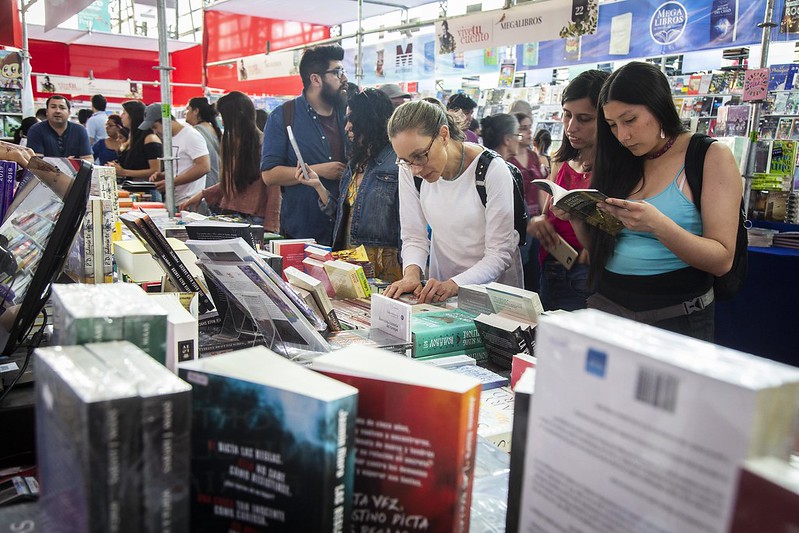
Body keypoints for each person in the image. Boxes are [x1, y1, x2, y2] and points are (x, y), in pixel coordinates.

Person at [581, 61, 741, 340]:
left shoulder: (709, 156)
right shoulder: (619, 159)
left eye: (629, 120)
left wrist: (658, 225)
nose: (622, 136)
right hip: (608, 308)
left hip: (677, 315)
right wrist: (574, 214)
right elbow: (599, 247)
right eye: (612, 125)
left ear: (658, 106)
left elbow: (722, 259)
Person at [383, 100, 522, 304]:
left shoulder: (492, 170)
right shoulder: (410, 171)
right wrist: (412, 274)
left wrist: (454, 284)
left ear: (444, 135)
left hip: (495, 296)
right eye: (405, 160)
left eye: (421, 156)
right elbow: (414, 237)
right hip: (443, 293)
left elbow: (499, 255)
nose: (416, 169)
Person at [295, 88, 401, 281]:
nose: (347, 127)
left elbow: (409, 225)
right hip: (349, 264)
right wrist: (317, 185)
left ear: (370, 120)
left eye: (352, 120)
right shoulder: (355, 164)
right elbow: (342, 215)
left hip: (384, 267)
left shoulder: (396, 163)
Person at [527, 69, 608, 312]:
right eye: (566, 115)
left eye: (584, 118)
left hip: (584, 276)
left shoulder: (612, 170)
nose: (571, 127)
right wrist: (539, 222)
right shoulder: (561, 161)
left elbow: (608, 244)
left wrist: (585, 252)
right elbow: (548, 211)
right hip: (550, 267)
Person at [260, 44, 349, 245]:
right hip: (303, 231)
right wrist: (321, 171)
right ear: (315, 79)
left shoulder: (347, 115)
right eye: (337, 72)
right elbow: (269, 174)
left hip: (345, 229)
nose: (344, 78)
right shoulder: (284, 116)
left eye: (343, 71)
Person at [180, 91, 281, 231]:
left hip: (254, 220)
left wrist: (271, 226)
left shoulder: (265, 145)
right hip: (231, 216)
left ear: (235, 116)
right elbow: (232, 180)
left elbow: (275, 190)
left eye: (223, 116)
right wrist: (202, 194)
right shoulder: (233, 144)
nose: (222, 121)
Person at [139, 102, 210, 205]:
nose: (155, 132)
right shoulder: (169, 138)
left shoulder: (190, 136)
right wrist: (164, 175)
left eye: (155, 127)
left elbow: (204, 166)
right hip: (174, 201)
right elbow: (181, 167)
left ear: (165, 121)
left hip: (190, 201)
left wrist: (170, 182)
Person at [508, 112, 544, 292]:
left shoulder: (533, 156)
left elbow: (541, 190)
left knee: (535, 272)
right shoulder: (508, 159)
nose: (528, 132)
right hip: (519, 223)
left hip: (537, 222)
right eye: (523, 128)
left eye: (530, 127)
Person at [25, 95, 92, 160]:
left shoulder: (80, 130)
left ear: (69, 112)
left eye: (62, 108)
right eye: (53, 107)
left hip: (76, 171)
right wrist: (65, 163)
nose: (57, 111)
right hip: (46, 171)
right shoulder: (36, 130)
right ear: (47, 111)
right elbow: (37, 161)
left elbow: (88, 158)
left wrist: (74, 164)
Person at [111, 100, 163, 181]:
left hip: (146, 188)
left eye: (124, 113)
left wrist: (124, 172)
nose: (121, 116)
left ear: (133, 116)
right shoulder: (132, 138)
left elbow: (155, 170)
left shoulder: (149, 138)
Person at [185, 97, 221, 188]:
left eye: (188, 109)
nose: (186, 113)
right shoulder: (212, 129)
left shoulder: (196, 132)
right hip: (217, 181)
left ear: (196, 111)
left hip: (205, 184)